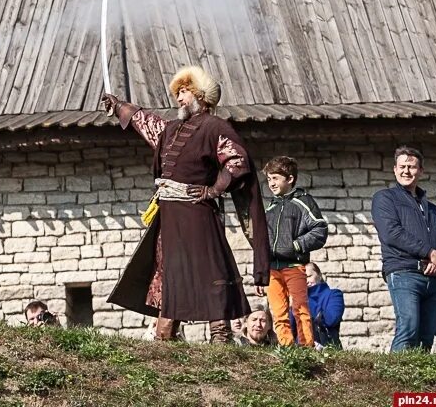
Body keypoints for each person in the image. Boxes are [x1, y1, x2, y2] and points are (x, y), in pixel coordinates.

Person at [101, 66, 269, 343]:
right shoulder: (173, 129)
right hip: (169, 215)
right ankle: (165, 334)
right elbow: (147, 123)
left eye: (183, 92)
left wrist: (214, 189)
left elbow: (238, 162)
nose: (178, 99)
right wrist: (119, 106)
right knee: (169, 269)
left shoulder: (215, 127)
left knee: (210, 269)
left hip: (197, 214)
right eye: (177, 93)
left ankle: (220, 335)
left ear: (200, 95)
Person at [371, 146, 436, 351]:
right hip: (404, 272)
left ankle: (419, 382)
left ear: (420, 171)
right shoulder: (385, 198)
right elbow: (392, 233)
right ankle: (392, 381)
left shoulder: (430, 208)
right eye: (402, 166)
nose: (407, 171)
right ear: (395, 170)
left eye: (412, 167)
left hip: (433, 278)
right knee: (408, 329)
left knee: (425, 339)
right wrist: (429, 253)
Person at [261, 156, 328, 346]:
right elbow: (262, 241)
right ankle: (286, 349)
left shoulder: (303, 202)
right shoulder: (270, 207)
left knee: (300, 308)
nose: (271, 183)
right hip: (272, 269)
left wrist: (296, 246)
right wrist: (260, 271)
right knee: (278, 312)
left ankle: (306, 347)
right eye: (269, 179)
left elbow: (320, 229)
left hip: (294, 265)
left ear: (289, 179)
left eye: (275, 178)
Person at [302, 262, 343, 349]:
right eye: (303, 278)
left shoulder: (334, 294)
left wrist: (306, 298)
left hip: (328, 348)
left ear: (319, 275)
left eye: (309, 276)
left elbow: (331, 319)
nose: (306, 281)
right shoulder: (298, 299)